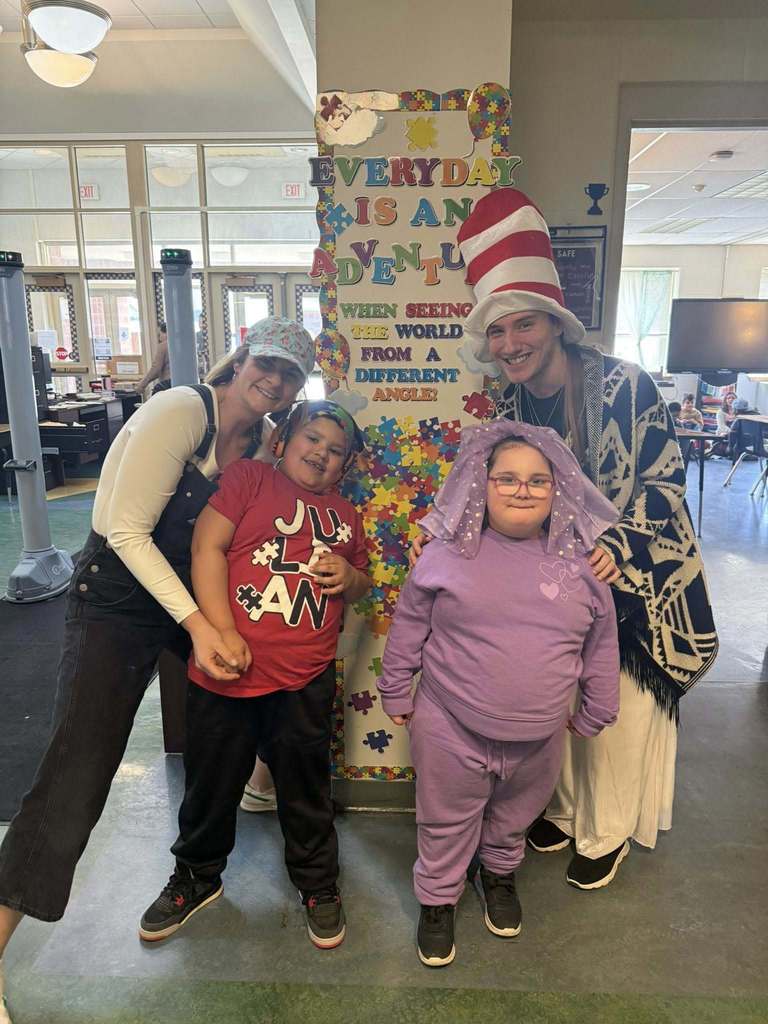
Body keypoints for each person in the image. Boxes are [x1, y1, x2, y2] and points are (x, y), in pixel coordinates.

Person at [0, 317, 315, 1024]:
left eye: (292, 374)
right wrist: (202, 626)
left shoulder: (259, 445)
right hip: (114, 598)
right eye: (268, 363)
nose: (276, 380)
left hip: (182, 596)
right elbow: (123, 530)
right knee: (78, 772)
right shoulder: (182, 410)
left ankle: (242, 809)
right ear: (241, 361)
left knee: (257, 673)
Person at [414, 188, 717, 890]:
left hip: (630, 587)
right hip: (553, 588)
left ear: (553, 324)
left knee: (614, 716)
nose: (511, 344)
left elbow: (665, 483)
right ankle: (568, 809)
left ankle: (606, 830)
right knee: (560, 706)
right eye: (497, 333)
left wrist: (624, 546)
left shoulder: (626, 386)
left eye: (523, 326)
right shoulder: (510, 405)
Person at [379, 422, 620, 968]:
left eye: (538, 480)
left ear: (559, 491)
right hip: (449, 725)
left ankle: (499, 872)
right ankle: (438, 899)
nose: (522, 490)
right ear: (479, 485)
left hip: (538, 737)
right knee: (444, 819)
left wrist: (599, 705)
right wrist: (395, 688)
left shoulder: (583, 564)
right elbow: (410, 625)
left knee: (513, 816)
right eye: (506, 478)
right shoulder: (444, 555)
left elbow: (601, 640)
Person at [139, 401, 370, 951]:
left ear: (346, 466)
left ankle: (317, 884)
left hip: (305, 677)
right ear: (284, 440)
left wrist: (350, 574)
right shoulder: (248, 479)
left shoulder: (346, 515)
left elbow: (360, 586)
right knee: (211, 785)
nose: (322, 453)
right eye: (312, 438)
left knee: (306, 789)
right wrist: (219, 630)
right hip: (224, 670)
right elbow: (207, 546)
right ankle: (196, 874)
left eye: (336, 451)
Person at [136, 321, 171, 396]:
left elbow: (156, 369)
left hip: (167, 386)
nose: (159, 337)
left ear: (165, 333)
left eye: (160, 334)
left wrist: (142, 385)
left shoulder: (163, 346)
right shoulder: (182, 345)